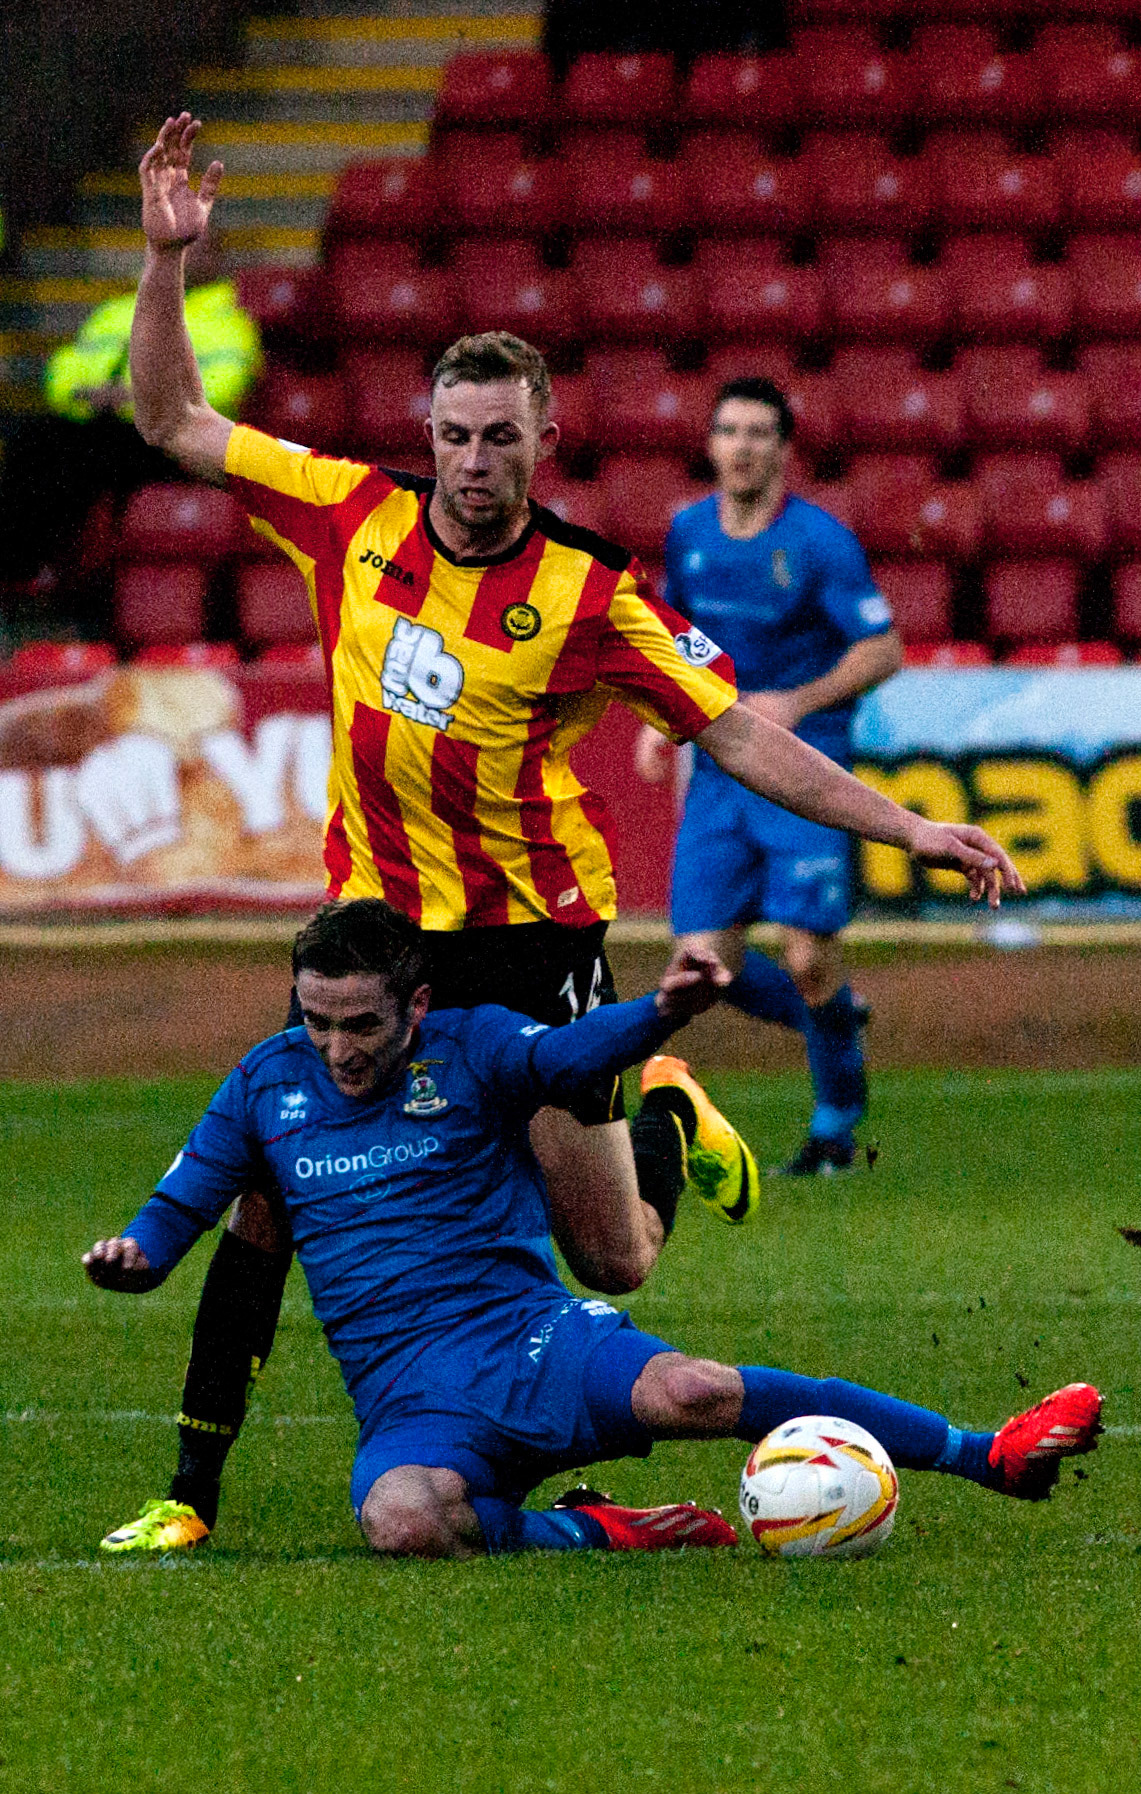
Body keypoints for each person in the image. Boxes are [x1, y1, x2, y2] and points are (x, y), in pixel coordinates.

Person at [109, 113, 1023, 1553]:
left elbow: (738, 734)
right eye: (455, 435)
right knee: (273, 1199)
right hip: (382, 941)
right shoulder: (351, 515)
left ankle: (659, 1106)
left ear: (547, 439)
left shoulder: (594, 593)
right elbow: (170, 420)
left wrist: (909, 825)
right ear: (428, 437)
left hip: (533, 940)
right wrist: (169, 266)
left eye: (501, 437)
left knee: (618, 1255)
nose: (475, 461)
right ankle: (191, 1493)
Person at [85, 900, 1101, 1559]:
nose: (338, 1048)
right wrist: (137, 1256)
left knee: (695, 1387)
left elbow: (574, 1060)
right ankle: (593, 1531)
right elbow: (185, 1203)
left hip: (537, 1341)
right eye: (318, 1021)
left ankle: (986, 1455)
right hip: (410, 1402)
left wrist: (661, 1014)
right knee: (401, 1520)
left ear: (418, 1005)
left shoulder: (476, 1046)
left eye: (362, 1024)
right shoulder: (267, 1082)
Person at [637, 377, 901, 1174]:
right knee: (702, 966)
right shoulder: (687, 532)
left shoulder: (820, 542)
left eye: (759, 432)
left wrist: (797, 701)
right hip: (722, 768)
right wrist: (658, 722)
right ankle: (834, 1019)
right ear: (711, 444)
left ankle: (834, 1129)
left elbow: (881, 649)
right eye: (729, 430)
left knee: (807, 955)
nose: (743, 445)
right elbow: (669, 635)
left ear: (784, 449)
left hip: (807, 765)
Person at [1, 227, 261, 587]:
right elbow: (64, 370)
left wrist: (133, 399)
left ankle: (76, 580)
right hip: (97, 425)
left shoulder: (228, 323)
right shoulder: (118, 311)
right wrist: (82, 395)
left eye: (192, 251)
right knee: (34, 439)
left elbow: (221, 388)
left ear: (215, 261)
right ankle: (20, 569)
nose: (180, 259)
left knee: (86, 460)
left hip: (169, 444)